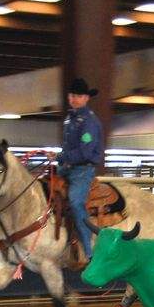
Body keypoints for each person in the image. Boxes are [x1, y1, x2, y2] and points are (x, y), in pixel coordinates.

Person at [57, 77, 103, 264]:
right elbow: (68, 147)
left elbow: (85, 152)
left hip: (83, 170)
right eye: (72, 95)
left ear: (86, 98)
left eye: (78, 96)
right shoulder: (70, 119)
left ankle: (89, 248)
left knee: (76, 202)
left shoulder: (89, 122)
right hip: (68, 167)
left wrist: (61, 158)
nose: (74, 98)